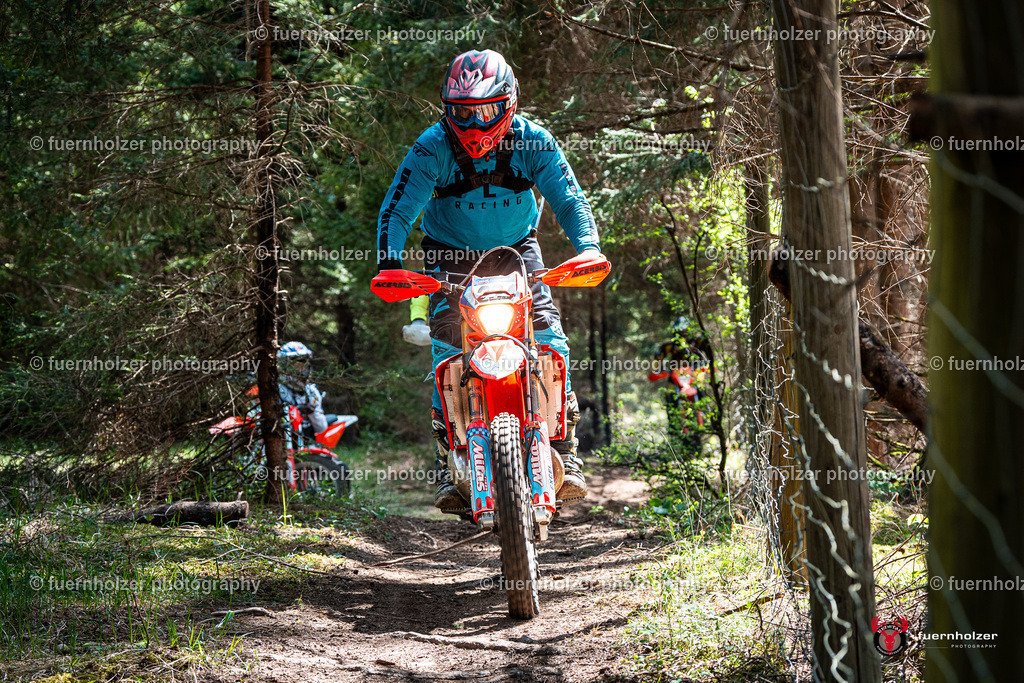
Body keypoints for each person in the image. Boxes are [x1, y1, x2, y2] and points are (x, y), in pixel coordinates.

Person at [376, 49, 600, 512]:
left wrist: (588, 248)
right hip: (449, 259)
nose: (476, 123)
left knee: (551, 339)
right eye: (463, 112)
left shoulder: (533, 141)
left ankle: (565, 448)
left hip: (517, 252)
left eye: (486, 110)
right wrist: (389, 261)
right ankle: (447, 458)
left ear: (510, 102)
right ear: (446, 109)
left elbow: (569, 197)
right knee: (447, 352)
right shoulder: (431, 146)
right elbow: (398, 208)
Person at [647, 317, 713, 455]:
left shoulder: (697, 343)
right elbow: (656, 362)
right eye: (680, 332)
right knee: (670, 395)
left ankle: (705, 422)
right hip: (675, 380)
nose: (683, 334)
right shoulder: (669, 347)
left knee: (701, 393)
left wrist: (707, 366)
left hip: (692, 380)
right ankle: (674, 429)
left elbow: (710, 358)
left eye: (684, 331)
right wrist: (657, 371)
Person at [277, 341, 333, 439]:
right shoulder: (278, 389)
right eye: (295, 364)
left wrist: (311, 411)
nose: (301, 369)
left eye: (303, 364)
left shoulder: (311, 391)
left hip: (306, 443)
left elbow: (321, 428)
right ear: (285, 366)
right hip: (281, 441)